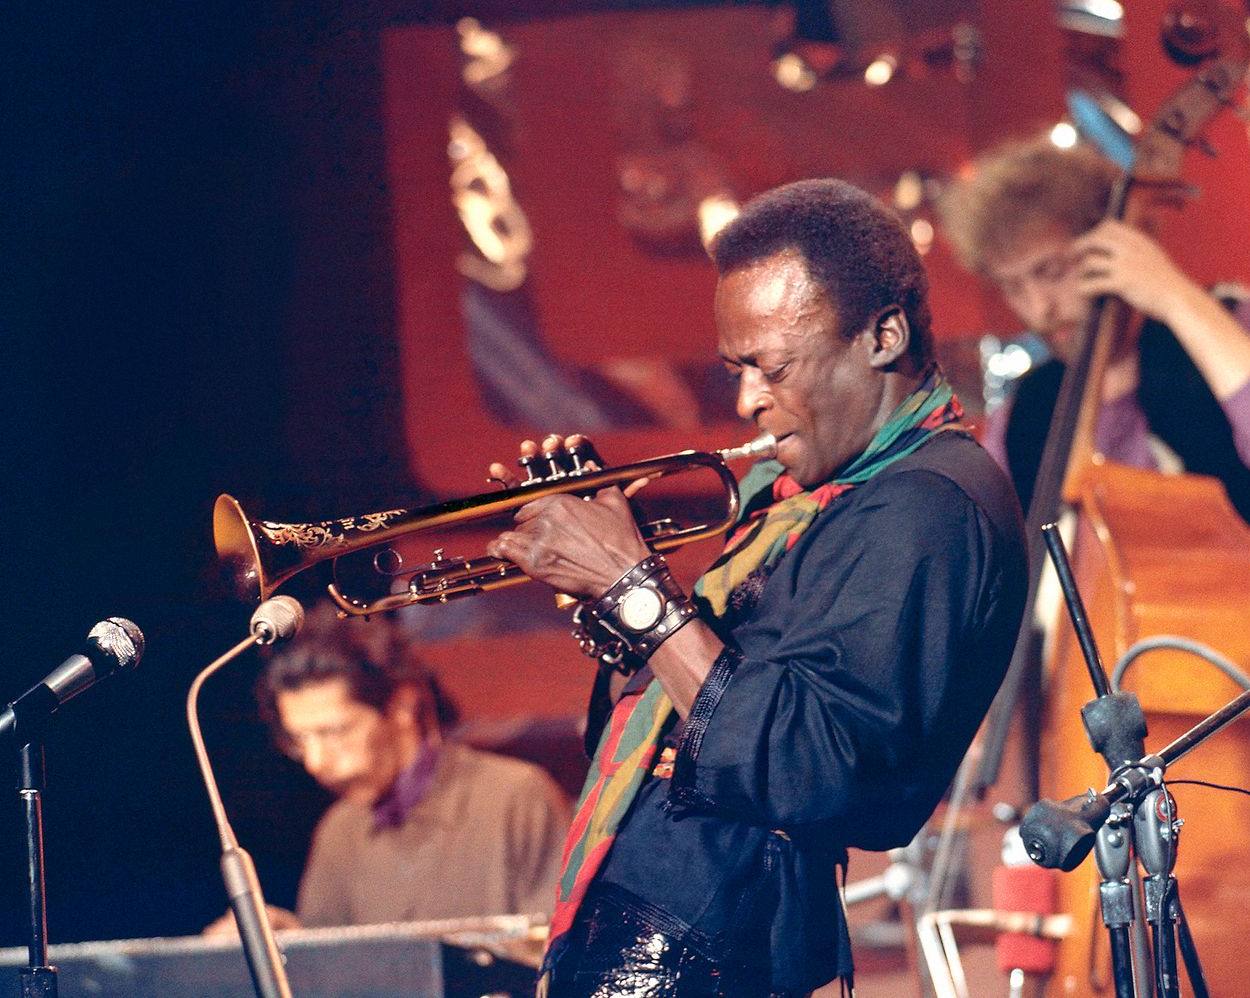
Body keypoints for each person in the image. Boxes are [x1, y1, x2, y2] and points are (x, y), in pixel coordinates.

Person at [485, 178, 1029, 997]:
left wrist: (634, 587)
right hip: (663, 915)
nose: (747, 402)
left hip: (700, 946)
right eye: (736, 368)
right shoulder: (805, 497)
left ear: (882, 336)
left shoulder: (927, 504)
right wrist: (609, 600)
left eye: (771, 368)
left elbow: (808, 768)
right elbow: (717, 696)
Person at [938, 133, 1250, 542]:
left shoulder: (1232, 319)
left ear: (1114, 244)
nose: (1038, 308)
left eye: (1053, 271)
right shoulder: (1023, 413)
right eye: (1013, 287)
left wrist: (1172, 294)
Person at [206, 610, 571, 933]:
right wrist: (287, 941)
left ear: (402, 706)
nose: (316, 762)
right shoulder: (338, 831)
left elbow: (559, 957)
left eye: (334, 733)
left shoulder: (517, 796)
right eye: (300, 740)